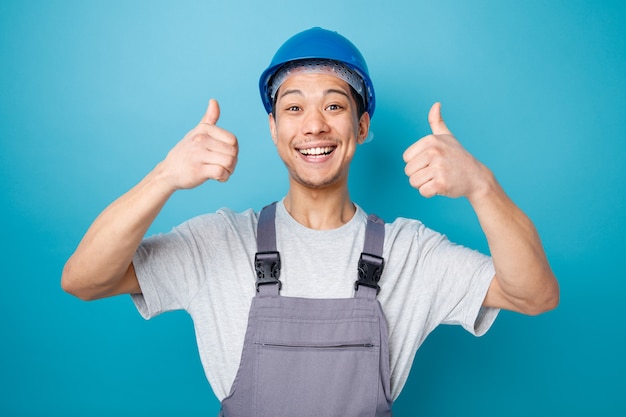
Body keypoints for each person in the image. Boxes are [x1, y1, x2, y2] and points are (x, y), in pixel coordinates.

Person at [62, 27, 559, 416]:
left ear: (361, 127)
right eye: (294, 106)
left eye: (335, 106)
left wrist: (482, 187)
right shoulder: (218, 241)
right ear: (274, 129)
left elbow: (534, 294)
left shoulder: (412, 252)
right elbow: (84, 280)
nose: (314, 124)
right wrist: (164, 177)